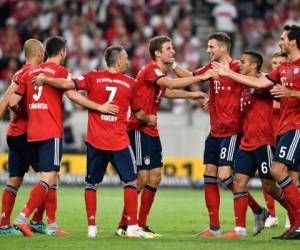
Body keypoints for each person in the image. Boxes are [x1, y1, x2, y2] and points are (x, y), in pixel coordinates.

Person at [32, 45, 158, 238]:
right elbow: (139, 113)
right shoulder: (130, 83)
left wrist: (46, 79)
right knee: (130, 181)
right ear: (118, 61)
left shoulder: (92, 77)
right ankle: (132, 226)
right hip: (118, 142)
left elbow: (67, 85)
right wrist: (148, 119)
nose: (128, 61)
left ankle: (92, 227)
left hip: (95, 140)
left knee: (91, 184)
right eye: (125, 58)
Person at [9, 36, 118, 237]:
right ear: (62, 52)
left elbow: (14, 102)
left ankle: (50, 224)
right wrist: (98, 106)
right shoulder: (61, 72)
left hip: (33, 132)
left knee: (52, 178)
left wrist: (32, 113)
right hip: (51, 130)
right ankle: (23, 218)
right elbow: (73, 94)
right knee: (48, 177)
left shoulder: (31, 72)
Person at [171, 32, 267, 237]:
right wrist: (172, 65)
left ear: (223, 48)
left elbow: (257, 86)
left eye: (211, 46)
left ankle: (256, 210)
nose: (208, 50)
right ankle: (214, 227)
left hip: (232, 131)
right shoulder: (212, 67)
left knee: (225, 177)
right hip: (214, 130)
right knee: (208, 175)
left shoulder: (238, 68)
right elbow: (191, 77)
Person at [116, 36, 211, 237]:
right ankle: (125, 225)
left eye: (172, 48)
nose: (173, 51)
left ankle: (141, 224)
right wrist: (200, 78)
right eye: (168, 48)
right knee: (141, 178)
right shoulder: (151, 69)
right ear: (157, 53)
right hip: (139, 128)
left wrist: (192, 95)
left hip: (152, 129)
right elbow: (168, 83)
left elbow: (166, 92)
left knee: (156, 177)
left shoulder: (158, 74)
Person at [213, 25, 300, 239]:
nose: (279, 42)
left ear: (293, 41)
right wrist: (229, 74)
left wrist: (292, 92)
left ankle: (297, 220)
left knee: (278, 174)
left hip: (293, 128)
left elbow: (264, 85)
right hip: (274, 133)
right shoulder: (284, 68)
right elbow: (261, 81)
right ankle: (243, 228)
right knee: (252, 179)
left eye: (282, 39)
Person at [0, 39, 46, 235]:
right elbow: (11, 101)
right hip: (26, 134)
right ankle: (35, 220)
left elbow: (8, 98)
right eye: (42, 52)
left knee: (14, 180)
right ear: (38, 54)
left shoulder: (19, 72)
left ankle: (4, 224)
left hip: (14, 133)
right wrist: (20, 109)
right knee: (49, 177)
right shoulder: (30, 73)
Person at [263, 51, 288, 228]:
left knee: (290, 177)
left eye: (280, 62)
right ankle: (272, 214)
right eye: (274, 63)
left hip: (287, 136)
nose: (276, 65)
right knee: (267, 177)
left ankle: (291, 214)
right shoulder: (268, 85)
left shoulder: (287, 87)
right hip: (269, 137)